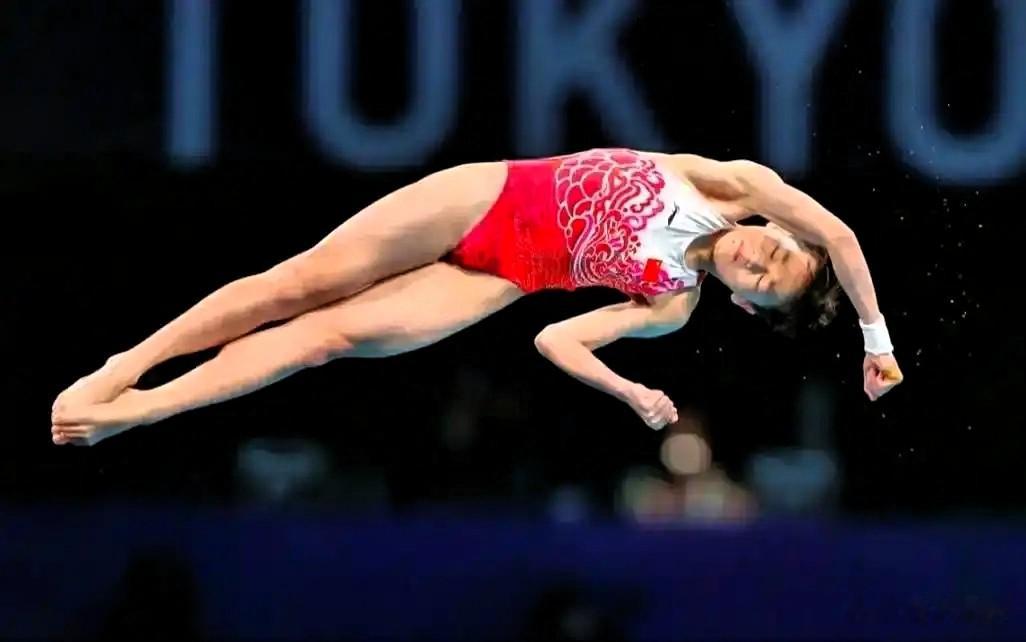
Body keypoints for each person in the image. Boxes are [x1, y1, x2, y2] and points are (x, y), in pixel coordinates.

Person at [50, 148, 903, 446]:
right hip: (486, 196)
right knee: (300, 283)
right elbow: (842, 237)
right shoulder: (730, 185)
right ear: (777, 225)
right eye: (776, 249)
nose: (759, 258)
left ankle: (142, 410)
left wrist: (629, 391)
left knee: (326, 340)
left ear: (746, 306)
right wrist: (876, 340)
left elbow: (556, 341)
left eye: (763, 280)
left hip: (501, 277)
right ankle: (129, 364)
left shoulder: (672, 304)